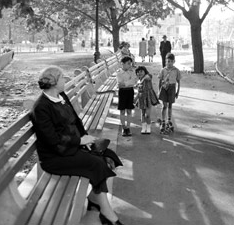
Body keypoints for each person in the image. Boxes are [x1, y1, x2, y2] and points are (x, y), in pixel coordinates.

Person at [30, 66, 124, 225]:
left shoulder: (61, 96)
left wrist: (85, 137)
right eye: (61, 78)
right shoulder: (41, 107)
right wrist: (80, 142)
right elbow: (52, 140)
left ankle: (94, 199)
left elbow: (76, 121)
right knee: (96, 162)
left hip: (70, 148)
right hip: (55, 157)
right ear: (53, 82)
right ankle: (106, 212)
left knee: (105, 154)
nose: (64, 80)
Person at [158, 53, 181, 135]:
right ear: (165, 61)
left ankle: (169, 120)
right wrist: (159, 90)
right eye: (168, 61)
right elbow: (160, 81)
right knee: (164, 106)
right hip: (164, 88)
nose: (169, 63)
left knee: (170, 105)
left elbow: (178, 82)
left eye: (171, 61)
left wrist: (178, 91)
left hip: (172, 88)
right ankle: (163, 120)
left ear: (174, 61)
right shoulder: (163, 70)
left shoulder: (176, 71)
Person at [116, 56, 138, 136]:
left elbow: (134, 81)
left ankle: (128, 127)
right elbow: (119, 84)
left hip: (130, 92)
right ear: (123, 64)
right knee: (122, 110)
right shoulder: (119, 72)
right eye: (128, 63)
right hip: (122, 92)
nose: (130, 65)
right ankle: (123, 127)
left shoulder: (132, 71)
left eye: (130, 63)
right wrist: (129, 83)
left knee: (129, 110)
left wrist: (125, 83)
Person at [135, 66, 159, 134]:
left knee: (147, 115)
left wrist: (142, 80)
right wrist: (135, 99)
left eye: (141, 71)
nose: (140, 73)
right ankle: (143, 127)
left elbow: (148, 76)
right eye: (138, 72)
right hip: (141, 98)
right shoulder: (138, 82)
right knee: (142, 114)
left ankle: (148, 127)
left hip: (148, 98)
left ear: (145, 72)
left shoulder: (148, 77)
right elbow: (139, 92)